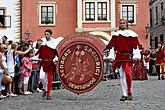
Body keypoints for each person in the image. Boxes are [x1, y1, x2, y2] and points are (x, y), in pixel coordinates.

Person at [105, 19, 141, 101]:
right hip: (119, 56)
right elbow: (111, 45)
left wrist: (136, 56)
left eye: (123, 23)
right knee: (121, 75)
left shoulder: (132, 35)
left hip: (128, 56)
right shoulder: (116, 35)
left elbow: (136, 46)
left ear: (126, 24)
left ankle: (129, 92)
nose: (122, 24)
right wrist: (109, 54)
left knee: (128, 73)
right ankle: (124, 94)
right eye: (121, 23)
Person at [35, 29, 58, 100]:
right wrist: (33, 58)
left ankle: (48, 94)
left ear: (50, 35)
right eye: (45, 34)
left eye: (47, 34)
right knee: (41, 77)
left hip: (50, 63)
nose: (46, 35)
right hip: (43, 62)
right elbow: (38, 53)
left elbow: (57, 53)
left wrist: (55, 59)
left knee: (49, 79)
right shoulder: (43, 44)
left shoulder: (54, 43)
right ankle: (45, 89)